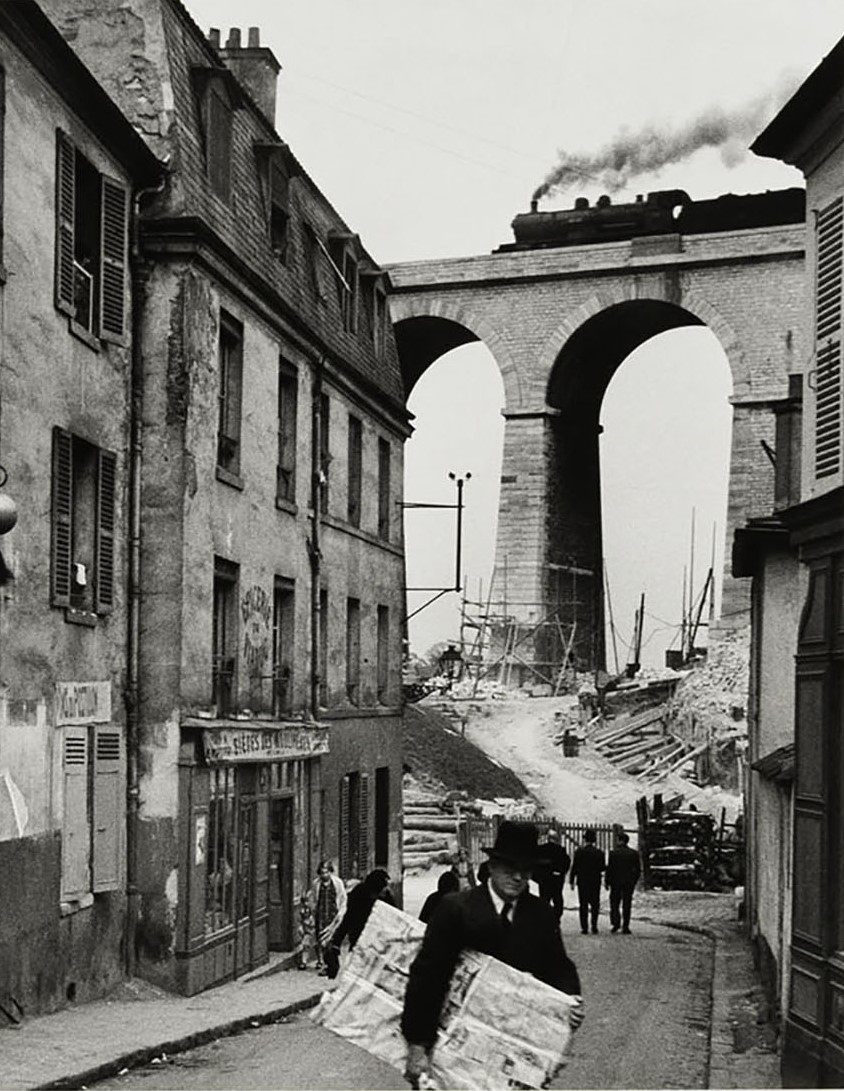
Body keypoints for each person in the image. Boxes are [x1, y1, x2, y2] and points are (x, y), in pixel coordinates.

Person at [401, 821, 583, 1088]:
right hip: (452, 1047)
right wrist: (417, 1045)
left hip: (511, 1052)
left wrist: (570, 998)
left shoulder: (540, 914)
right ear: (493, 867)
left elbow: (558, 967)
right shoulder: (456, 909)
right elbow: (427, 978)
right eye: (510, 869)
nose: (518, 877)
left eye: (525, 870)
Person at [326, 868, 393, 977]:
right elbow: (348, 919)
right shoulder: (358, 895)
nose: (386, 889)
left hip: (378, 944)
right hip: (360, 942)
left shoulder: (386, 898)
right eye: (384, 886)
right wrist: (337, 941)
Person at [310, 859, 346, 974]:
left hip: (333, 915)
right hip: (321, 915)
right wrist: (313, 913)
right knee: (322, 940)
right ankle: (326, 963)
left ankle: (330, 965)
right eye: (322, 873)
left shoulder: (337, 883)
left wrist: (341, 913)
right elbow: (314, 899)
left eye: (326, 872)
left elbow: (342, 899)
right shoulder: (316, 884)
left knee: (331, 940)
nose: (324, 875)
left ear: (330, 872)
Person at [570, 828, 605, 934]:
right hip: (595, 881)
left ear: (585, 839)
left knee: (583, 904)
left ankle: (584, 927)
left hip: (583, 881)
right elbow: (602, 867)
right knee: (595, 904)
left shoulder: (579, 852)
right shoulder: (599, 853)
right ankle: (594, 925)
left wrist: (572, 880)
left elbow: (574, 867)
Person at [605, 831, 641, 934]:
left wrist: (607, 881)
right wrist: (634, 881)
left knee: (615, 904)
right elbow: (638, 870)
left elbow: (610, 869)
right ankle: (626, 926)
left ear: (620, 840)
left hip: (615, 882)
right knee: (627, 904)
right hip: (628, 883)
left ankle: (616, 923)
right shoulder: (634, 854)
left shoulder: (613, 853)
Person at [537, 827, 571, 923]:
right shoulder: (561, 850)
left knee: (544, 900)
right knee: (558, 900)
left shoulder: (541, 849)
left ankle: (544, 919)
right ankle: (556, 918)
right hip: (557, 879)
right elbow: (566, 863)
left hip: (544, 879)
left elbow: (536, 864)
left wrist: (539, 877)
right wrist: (561, 873)